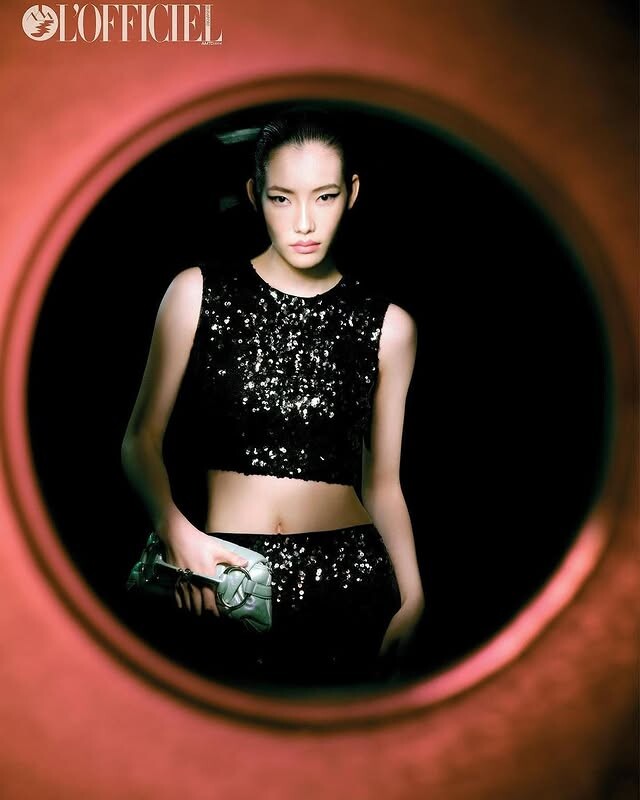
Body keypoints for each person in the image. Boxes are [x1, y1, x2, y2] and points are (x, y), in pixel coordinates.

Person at [121, 106, 425, 692]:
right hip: (226, 573)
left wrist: (413, 597)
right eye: (282, 198)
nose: (304, 222)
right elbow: (140, 440)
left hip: (352, 578)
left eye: (325, 196)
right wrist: (179, 533)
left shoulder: (390, 327)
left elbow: (383, 482)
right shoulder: (196, 293)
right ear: (254, 195)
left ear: (352, 193)